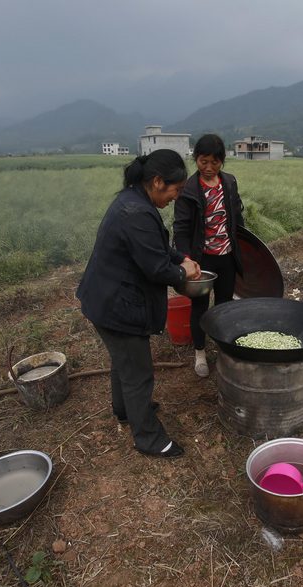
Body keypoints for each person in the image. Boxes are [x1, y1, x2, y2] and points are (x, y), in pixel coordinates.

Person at [77, 150, 201, 458]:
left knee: (124, 362)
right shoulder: (136, 212)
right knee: (138, 373)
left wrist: (182, 258)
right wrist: (181, 272)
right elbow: (157, 269)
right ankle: (148, 438)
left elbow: (156, 248)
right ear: (158, 182)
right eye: (175, 189)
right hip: (116, 305)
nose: (176, 196)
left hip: (107, 298)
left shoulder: (135, 200)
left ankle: (125, 411)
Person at [173, 134, 245, 377]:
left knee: (225, 306)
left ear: (222, 161)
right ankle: (200, 354)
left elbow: (237, 218)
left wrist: (244, 248)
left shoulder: (230, 183)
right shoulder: (188, 190)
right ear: (196, 159)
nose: (208, 167)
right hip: (201, 258)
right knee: (200, 307)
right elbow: (181, 229)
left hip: (226, 256)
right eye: (203, 161)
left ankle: (223, 351)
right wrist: (186, 259)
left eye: (214, 162)